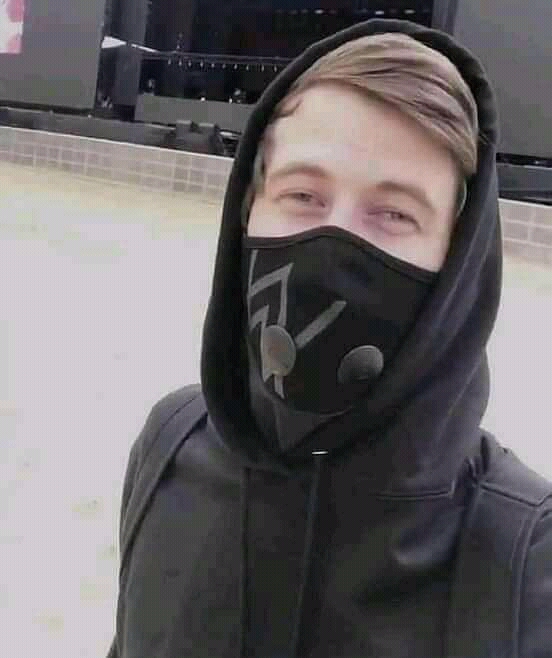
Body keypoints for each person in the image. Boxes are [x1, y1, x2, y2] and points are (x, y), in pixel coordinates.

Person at [108, 18, 552, 658]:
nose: (335, 245)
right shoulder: (170, 446)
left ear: (458, 257)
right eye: (303, 195)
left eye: (394, 213)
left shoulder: (529, 559)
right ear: (249, 209)